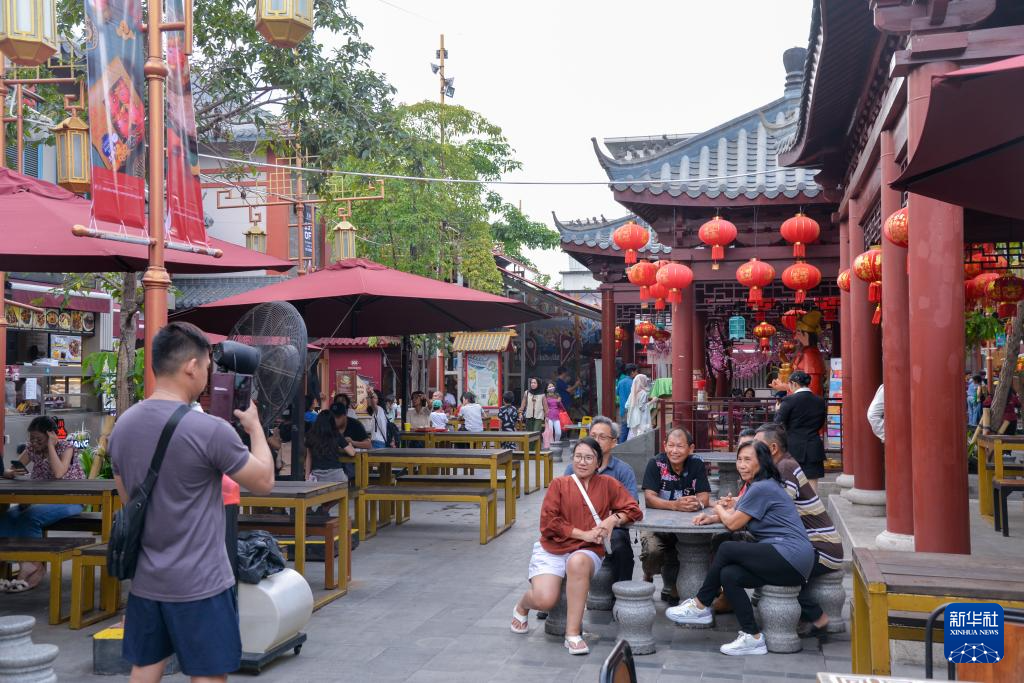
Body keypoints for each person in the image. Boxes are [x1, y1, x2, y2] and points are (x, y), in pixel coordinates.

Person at [108, 322, 275, 681]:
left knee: (145, 667)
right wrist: (255, 427)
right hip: (202, 582)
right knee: (209, 673)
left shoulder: (123, 426)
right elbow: (263, 481)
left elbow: (129, 498)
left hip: (148, 579)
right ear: (191, 367)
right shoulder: (209, 430)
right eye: (208, 367)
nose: (209, 376)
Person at [667, 441, 816, 657]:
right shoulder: (760, 485)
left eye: (748, 459)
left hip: (791, 556)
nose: (741, 465)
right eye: (739, 459)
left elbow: (733, 523)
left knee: (727, 548)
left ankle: (700, 605)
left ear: (762, 462)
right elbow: (739, 515)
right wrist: (712, 518)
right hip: (787, 559)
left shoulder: (762, 487)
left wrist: (717, 507)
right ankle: (752, 636)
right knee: (730, 575)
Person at [510, 437, 642, 655]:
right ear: (572, 459)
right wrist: (584, 534)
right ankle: (523, 605)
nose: (582, 462)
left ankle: (572, 634)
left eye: (589, 457)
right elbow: (548, 523)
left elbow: (634, 509)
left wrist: (612, 519)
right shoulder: (559, 484)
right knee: (545, 600)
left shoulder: (608, 484)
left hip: (587, 550)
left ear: (598, 462)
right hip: (553, 547)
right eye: (578, 457)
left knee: (578, 562)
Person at [754, 423, 842, 636]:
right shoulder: (783, 465)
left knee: (776, 569)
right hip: (813, 545)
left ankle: (817, 617)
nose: (752, 450)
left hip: (822, 548)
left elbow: (778, 509)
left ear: (773, 448)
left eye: (757, 445)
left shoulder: (784, 468)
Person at [0, 415, 86, 592]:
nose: (34, 443)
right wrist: (9, 473)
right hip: (41, 500)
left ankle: (33, 564)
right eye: (31, 438)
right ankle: (8, 561)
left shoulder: (66, 447)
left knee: (30, 518)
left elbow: (59, 473)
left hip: (71, 498)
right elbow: (14, 467)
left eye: (38, 439)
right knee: (7, 517)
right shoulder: (32, 449)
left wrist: (51, 446)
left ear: (51, 435)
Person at [560, 416, 639, 583]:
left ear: (614, 442)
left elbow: (633, 507)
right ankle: (559, 595)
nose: (596, 441)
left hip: (613, 529)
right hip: (578, 526)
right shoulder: (572, 469)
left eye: (602, 437)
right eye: (593, 436)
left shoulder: (623, 471)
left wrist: (612, 519)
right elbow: (562, 505)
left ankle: (622, 593)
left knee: (620, 545)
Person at [639, 427, 710, 606]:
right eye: (670, 445)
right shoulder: (656, 463)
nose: (674, 450)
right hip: (656, 524)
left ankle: (681, 588)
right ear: (665, 446)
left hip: (688, 524)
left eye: (680, 446)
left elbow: (704, 496)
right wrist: (675, 505)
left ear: (690, 448)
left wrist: (697, 504)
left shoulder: (697, 464)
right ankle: (648, 573)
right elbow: (649, 498)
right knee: (652, 552)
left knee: (700, 549)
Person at [773, 370, 827, 490]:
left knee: (791, 484)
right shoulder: (819, 401)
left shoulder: (789, 400)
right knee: (812, 485)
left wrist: (777, 410)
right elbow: (820, 423)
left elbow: (777, 423)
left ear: (794, 383)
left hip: (793, 446)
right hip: (813, 445)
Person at [305, 411, 355, 487]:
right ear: (332, 422)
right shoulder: (336, 434)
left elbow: (309, 457)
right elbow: (352, 453)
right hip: (336, 475)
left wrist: (307, 477)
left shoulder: (311, 435)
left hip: (318, 477)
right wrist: (350, 445)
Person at [625, 373, 656, 438]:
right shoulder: (643, 393)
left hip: (633, 418)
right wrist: (653, 401)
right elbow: (642, 407)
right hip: (641, 418)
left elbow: (627, 405)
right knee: (642, 435)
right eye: (645, 380)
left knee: (634, 436)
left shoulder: (632, 393)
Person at [616, 364, 637, 443]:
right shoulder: (633, 383)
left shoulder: (620, 382)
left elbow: (617, 393)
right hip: (631, 409)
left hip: (622, 409)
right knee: (631, 431)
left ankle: (621, 445)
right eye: (636, 372)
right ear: (632, 372)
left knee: (624, 430)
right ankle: (621, 447)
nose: (637, 373)